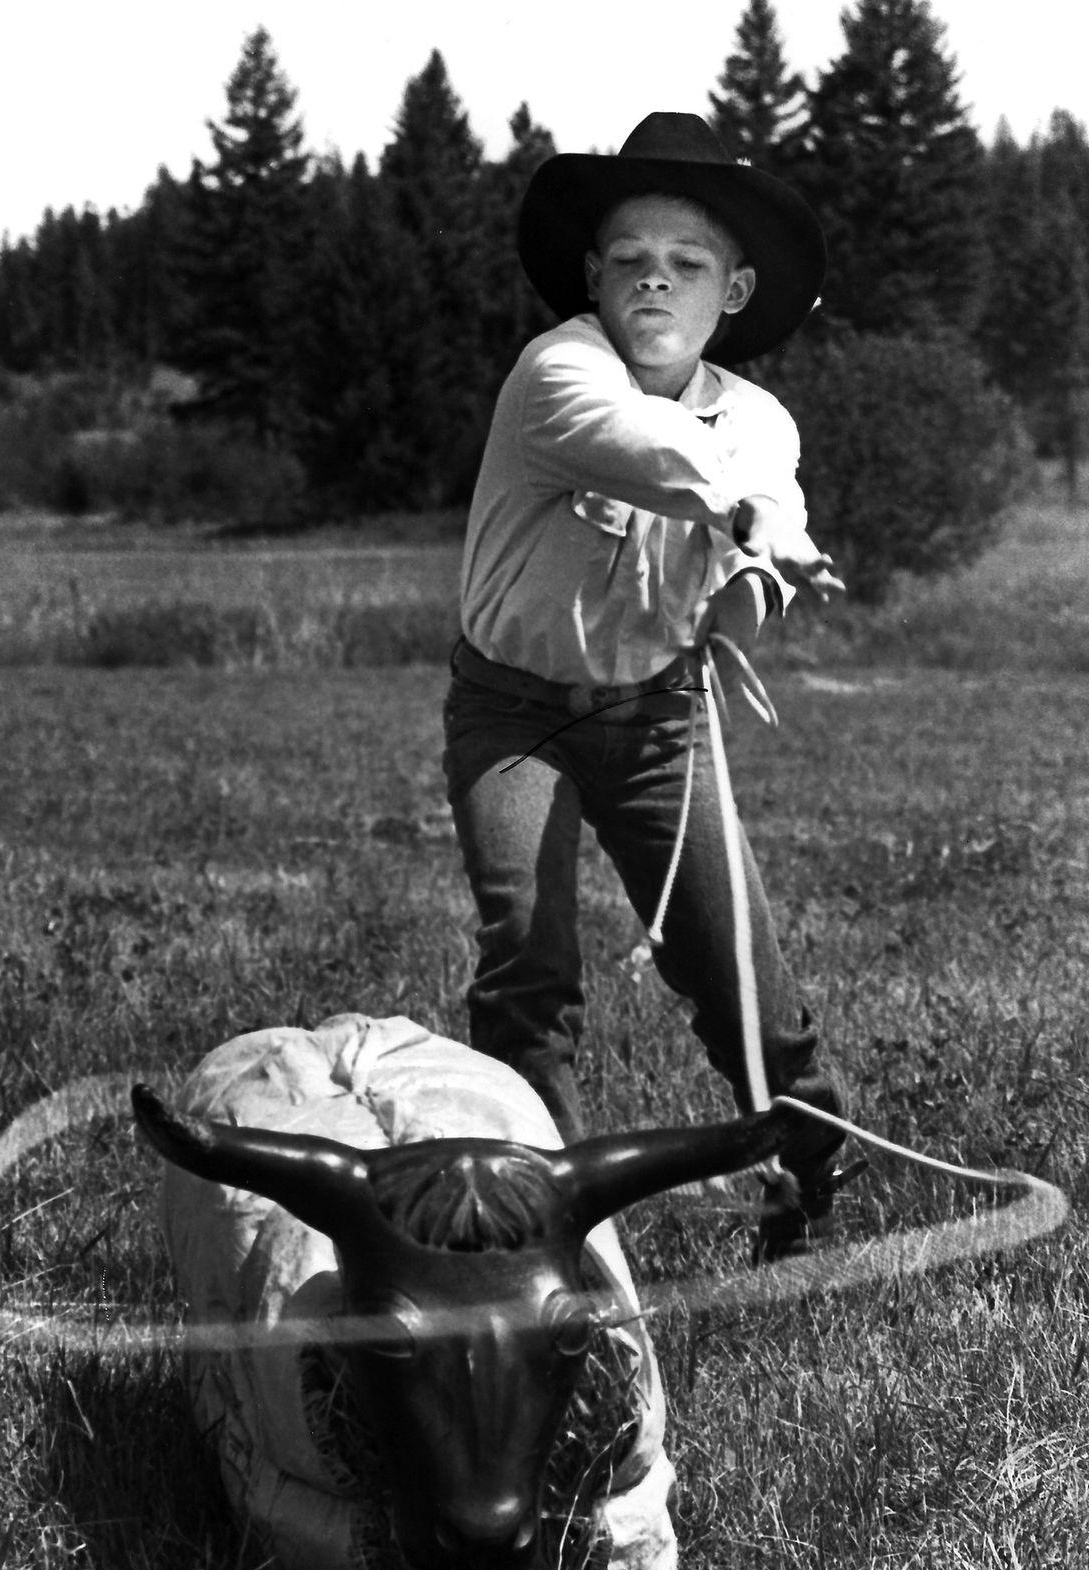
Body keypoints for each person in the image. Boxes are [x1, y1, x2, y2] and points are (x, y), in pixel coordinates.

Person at [442, 113, 861, 1262]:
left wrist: (757, 580)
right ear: (592, 276)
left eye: (686, 263)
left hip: (660, 716)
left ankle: (813, 1169)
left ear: (735, 290)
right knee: (527, 957)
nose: (655, 280)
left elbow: (758, 548)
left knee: (736, 968)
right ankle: (546, 1228)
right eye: (629, 259)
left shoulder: (759, 419)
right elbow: (651, 451)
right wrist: (757, 516)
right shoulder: (557, 372)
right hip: (513, 714)